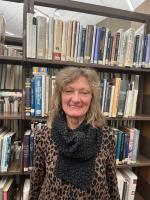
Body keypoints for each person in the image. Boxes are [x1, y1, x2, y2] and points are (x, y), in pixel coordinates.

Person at [29, 66, 120, 200]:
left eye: (84, 92)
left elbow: (112, 181)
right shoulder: (45, 135)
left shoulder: (106, 136)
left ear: (92, 98)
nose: (76, 99)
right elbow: (36, 181)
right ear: (60, 96)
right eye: (69, 91)